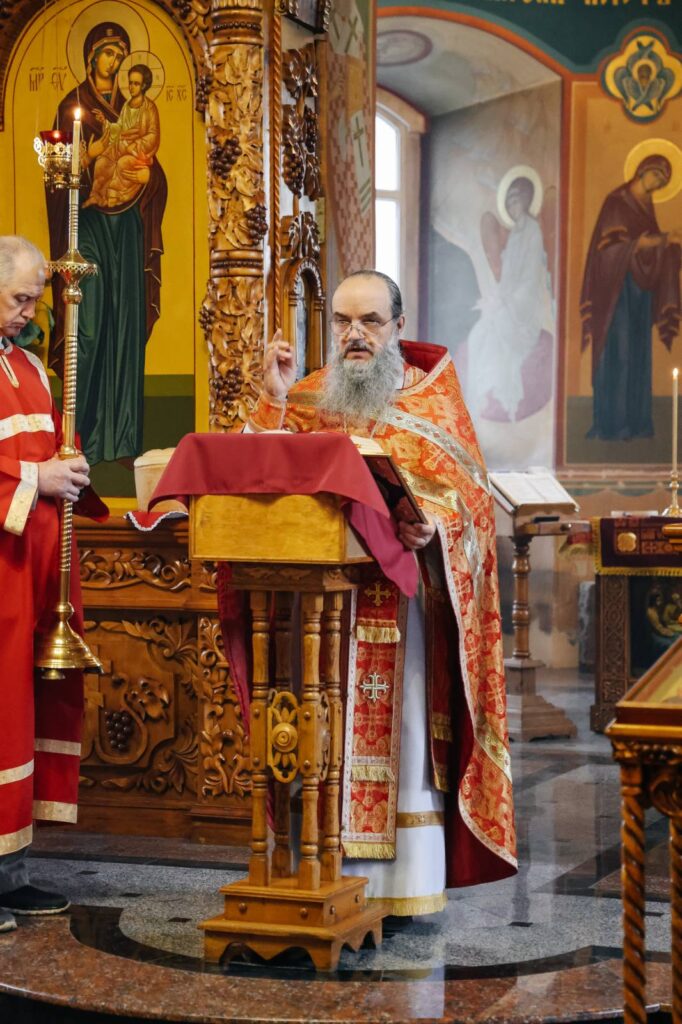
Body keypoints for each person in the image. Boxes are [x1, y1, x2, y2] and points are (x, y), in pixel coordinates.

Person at [245, 270, 517, 915]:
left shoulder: (434, 401)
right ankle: (321, 873)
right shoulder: (307, 397)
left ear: (398, 326)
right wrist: (271, 402)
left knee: (407, 741)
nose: (355, 335)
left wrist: (433, 525)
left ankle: (403, 888)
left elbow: (472, 504)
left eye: (369, 321)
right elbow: (257, 475)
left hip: (406, 608)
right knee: (322, 734)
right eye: (343, 321)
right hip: (323, 614)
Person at [0, 236, 104, 934]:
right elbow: (27, 472)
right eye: (20, 298)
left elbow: (50, 451)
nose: (30, 312)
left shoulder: (30, 366)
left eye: (35, 299)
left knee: (23, 716)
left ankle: (11, 873)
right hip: (1, 576)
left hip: (35, 577)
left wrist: (73, 469)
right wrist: (37, 477)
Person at [47, 22, 167, 466]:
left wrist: (149, 176)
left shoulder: (138, 106)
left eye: (120, 55)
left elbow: (153, 169)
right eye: (108, 54)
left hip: (129, 227)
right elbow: (57, 178)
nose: (114, 63)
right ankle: (79, 438)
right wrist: (89, 158)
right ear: (91, 56)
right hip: (89, 225)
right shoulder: (72, 106)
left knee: (127, 325)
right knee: (91, 324)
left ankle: (123, 442)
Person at [581, 154, 682, 441]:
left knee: (638, 355)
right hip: (615, 294)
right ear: (643, 170)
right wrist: (663, 239)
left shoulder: (646, 207)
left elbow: (648, 249)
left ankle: (637, 423)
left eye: (663, 182)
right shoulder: (617, 202)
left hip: (639, 294)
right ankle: (613, 424)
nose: (658, 183)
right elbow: (611, 249)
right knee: (619, 353)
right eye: (658, 176)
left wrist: (669, 246)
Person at [467, 176, 554, 422]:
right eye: (509, 203)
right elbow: (506, 278)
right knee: (477, 337)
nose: (512, 208)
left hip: (523, 309)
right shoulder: (516, 233)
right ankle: (476, 401)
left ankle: (504, 399)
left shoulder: (532, 231)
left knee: (498, 339)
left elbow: (529, 278)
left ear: (526, 201)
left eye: (516, 202)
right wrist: (495, 300)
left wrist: (507, 303)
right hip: (508, 302)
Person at [85, 64, 161, 210]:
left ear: (144, 86)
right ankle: (96, 195)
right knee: (102, 161)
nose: (131, 87)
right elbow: (120, 128)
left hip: (137, 153)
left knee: (122, 163)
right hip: (121, 145)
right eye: (130, 83)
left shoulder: (149, 108)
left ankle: (113, 198)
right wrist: (105, 123)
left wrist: (135, 145)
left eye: (136, 84)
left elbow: (153, 135)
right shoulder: (127, 105)